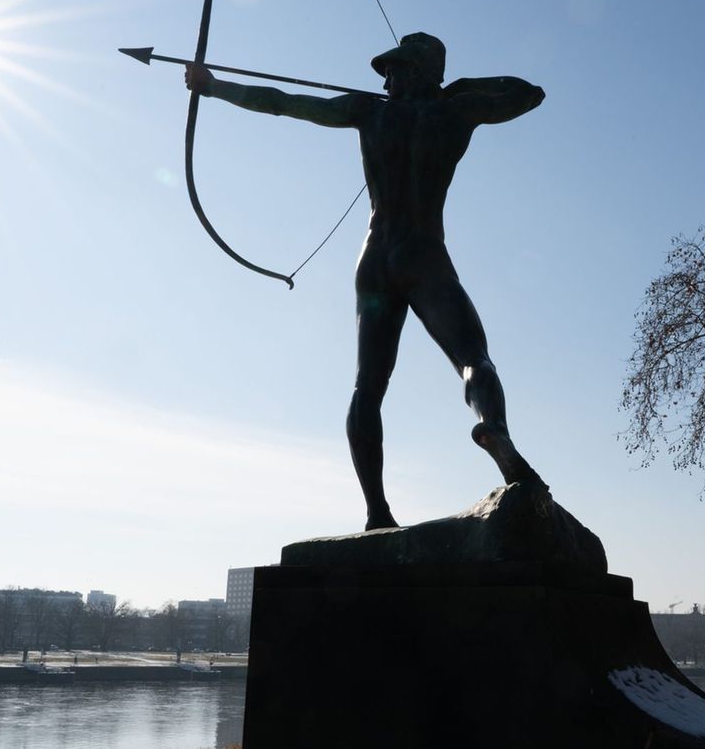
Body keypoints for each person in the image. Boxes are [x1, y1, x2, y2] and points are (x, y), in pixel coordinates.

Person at [186, 33, 547, 530]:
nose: (386, 79)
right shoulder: (456, 112)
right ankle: (491, 427)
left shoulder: (370, 111)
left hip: (375, 258)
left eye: (396, 69)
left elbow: (284, 104)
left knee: (368, 388)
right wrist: (460, 88)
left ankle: (378, 511)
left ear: (422, 72)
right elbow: (527, 93)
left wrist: (214, 88)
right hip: (422, 254)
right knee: (471, 359)